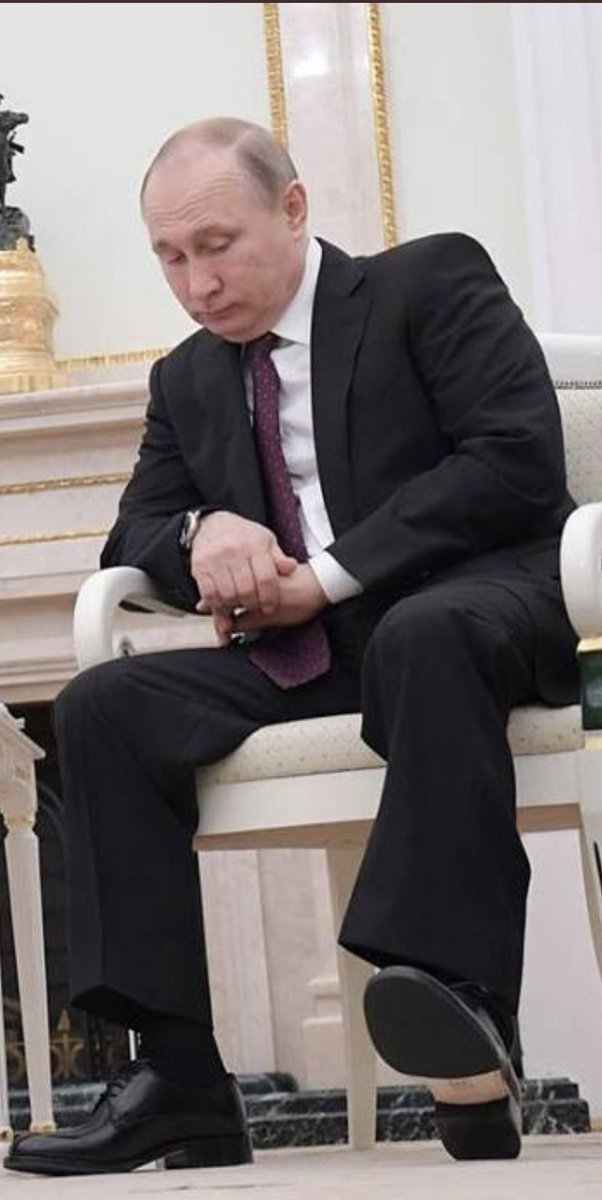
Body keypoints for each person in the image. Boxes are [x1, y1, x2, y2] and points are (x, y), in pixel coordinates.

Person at [6, 117, 578, 1175]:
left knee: (420, 633)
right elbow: (134, 533)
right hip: (315, 658)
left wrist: (323, 575)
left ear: (294, 207)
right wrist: (201, 530)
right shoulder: (186, 379)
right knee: (104, 708)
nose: (197, 284)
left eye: (217, 244)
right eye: (170, 258)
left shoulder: (427, 282)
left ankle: (452, 1001)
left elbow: (513, 460)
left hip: (475, 611)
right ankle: (179, 1081)